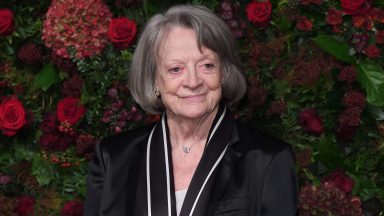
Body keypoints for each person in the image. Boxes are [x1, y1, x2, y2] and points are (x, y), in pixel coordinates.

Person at [84, 4, 298, 216]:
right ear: (154, 81)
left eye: (207, 65)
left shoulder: (269, 159)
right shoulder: (112, 157)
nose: (193, 81)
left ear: (223, 72)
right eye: (176, 69)